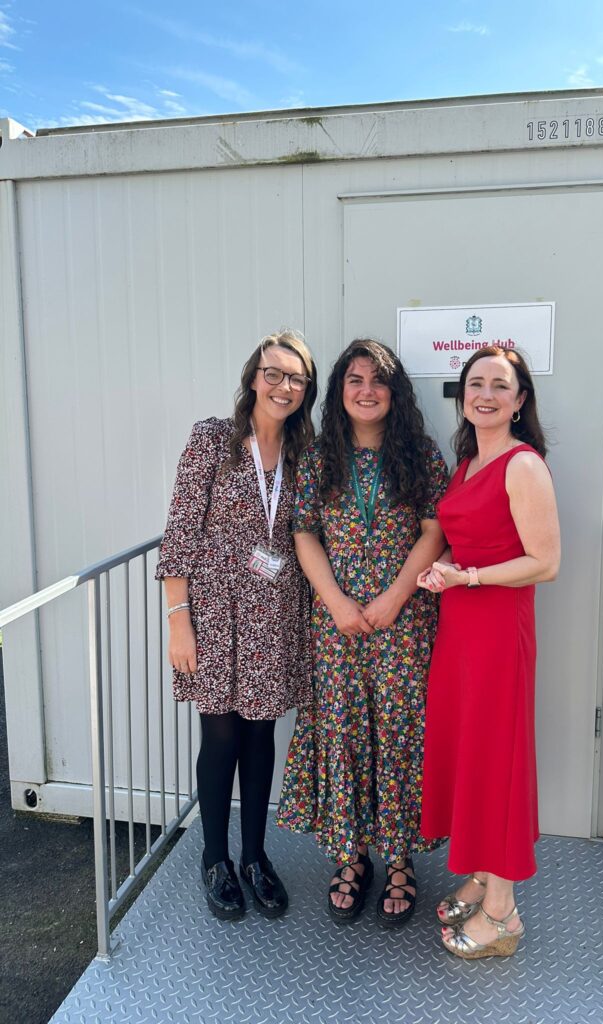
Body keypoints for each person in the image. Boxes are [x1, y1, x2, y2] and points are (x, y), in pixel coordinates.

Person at [276, 339, 449, 926]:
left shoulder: (422, 456)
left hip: (405, 624)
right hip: (337, 625)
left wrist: (395, 597)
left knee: (400, 731)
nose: (367, 390)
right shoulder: (319, 458)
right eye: (355, 379)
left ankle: (399, 859)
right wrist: (338, 603)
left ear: (395, 392)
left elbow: (435, 532)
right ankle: (351, 855)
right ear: (339, 392)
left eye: (378, 381)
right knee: (343, 729)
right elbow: (304, 534)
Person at [155, 329, 317, 921]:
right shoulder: (213, 440)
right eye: (274, 373)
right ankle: (214, 859)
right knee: (220, 736)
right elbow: (180, 532)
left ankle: (255, 857)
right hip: (216, 613)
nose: (284, 386)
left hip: (274, 614)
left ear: (306, 390)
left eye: (296, 378)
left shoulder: (306, 454)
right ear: (253, 377)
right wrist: (179, 621)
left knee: (259, 735)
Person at [417, 345, 560, 959]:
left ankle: (503, 914)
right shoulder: (470, 460)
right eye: (475, 383)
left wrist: (468, 578)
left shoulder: (523, 466)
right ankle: (480, 872)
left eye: (500, 385)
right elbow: (468, 538)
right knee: (471, 752)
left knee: (496, 759)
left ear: (520, 399)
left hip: (499, 630)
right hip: (461, 628)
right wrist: (446, 566)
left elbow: (545, 563)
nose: (485, 394)